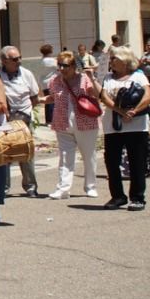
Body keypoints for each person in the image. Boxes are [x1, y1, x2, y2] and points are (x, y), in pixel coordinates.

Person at [97, 46, 150, 211]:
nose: (112, 61)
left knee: (137, 161)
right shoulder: (107, 77)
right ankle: (117, 196)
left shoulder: (138, 76)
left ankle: (137, 197)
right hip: (113, 126)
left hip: (136, 125)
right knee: (112, 162)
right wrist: (120, 111)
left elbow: (148, 95)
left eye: (115, 58)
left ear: (124, 61)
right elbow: (104, 97)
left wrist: (134, 111)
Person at [0, 45, 42, 217]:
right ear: (4, 61)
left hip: (24, 118)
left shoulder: (26, 74)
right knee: (4, 154)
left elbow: (34, 97)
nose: (18, 61)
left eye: (19, 58)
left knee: (27, 153)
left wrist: (25, 113)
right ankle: (4, 187)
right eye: (14, 59)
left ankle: (30, 186)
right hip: (5, 119)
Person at [45, 52, 102, 199]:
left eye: (66, 65)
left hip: (86, 123)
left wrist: (92, 78)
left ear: (74, 66)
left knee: (88, 156)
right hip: (62, 123)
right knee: (65, 157)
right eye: (60, 65)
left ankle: (90, 186)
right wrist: (39, 100)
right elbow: (54, 97)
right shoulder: (55, 81)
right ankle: (63, 188)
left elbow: (97, 94)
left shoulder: (84, 79)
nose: (62, 69)